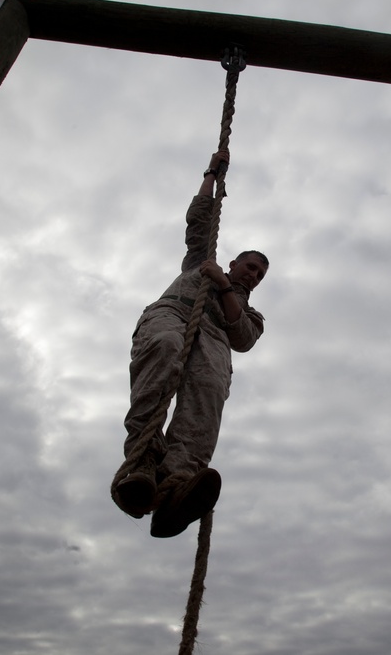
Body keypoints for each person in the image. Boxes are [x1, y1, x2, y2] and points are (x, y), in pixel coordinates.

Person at [113, 150, 268, 538]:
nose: (253, 275)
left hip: (215, 338)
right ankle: (143, 463)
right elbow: (200, 218)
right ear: (234, 262)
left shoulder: (250, 313)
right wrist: (212, 174)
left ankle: (176, 488)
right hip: (176, 314)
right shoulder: (203, 259)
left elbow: (243, 339)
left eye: (260, 274)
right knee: (165, 347)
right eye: (249, 267)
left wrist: (223, 284)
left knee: (209, 388)